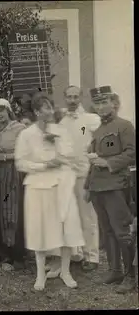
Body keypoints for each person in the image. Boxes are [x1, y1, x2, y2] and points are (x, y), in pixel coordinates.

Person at [15, 92, 85, 291]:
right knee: (40, 229)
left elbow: (70, 155)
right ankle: (40, 274)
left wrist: (56, 144)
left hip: (61, 184)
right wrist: (44, 165)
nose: (50, 111)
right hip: (38, 186)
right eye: (45, 107)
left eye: (51, 107)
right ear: (37, 112)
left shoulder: (60, 131)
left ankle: (65, 271)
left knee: (66, 228)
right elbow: (20, 163)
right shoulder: (26, 134)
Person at [46, 86, 102, 277]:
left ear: (80, 98)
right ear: (65, 98)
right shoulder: (61, 121)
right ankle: (76, 254)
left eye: (75, 96)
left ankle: (92, 256)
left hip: (84, 173)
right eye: (68, 96)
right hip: (66, 175)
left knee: (88, 216)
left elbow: (99, 140)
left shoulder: (90, 120)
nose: (72, 100)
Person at [85, 86, 136, 294]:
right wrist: (88, 186)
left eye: (105, 101)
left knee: (122, 231)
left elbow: (132, 153)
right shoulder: (97, 130)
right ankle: (115, 271)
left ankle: (131, 276)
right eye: (97, 103)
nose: (101, 106)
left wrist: (108, 163)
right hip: (98, 188)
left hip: (116, 186)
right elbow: (92, 162)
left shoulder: (124, 125)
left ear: (114, 103)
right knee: (107, 232)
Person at [0, 98, 27, 270]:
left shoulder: (19, 128)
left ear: (8, 110)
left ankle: (17, 254)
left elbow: (25, 152)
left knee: (12, 210)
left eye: (1, 111)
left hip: (13, 172)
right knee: (0, 211)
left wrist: (5, 156)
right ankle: (5, 252)